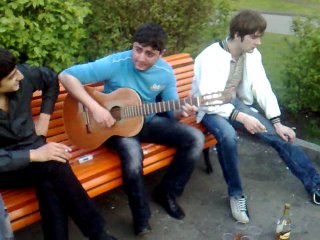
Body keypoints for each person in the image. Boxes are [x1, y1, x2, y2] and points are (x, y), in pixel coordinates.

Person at [59, 23, 205, 236]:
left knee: (195, 138)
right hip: (111, 126)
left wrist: (182, 112)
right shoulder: (116, 62)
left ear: (161, 54)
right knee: (133, 156)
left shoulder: (165, 72)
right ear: (132, 46)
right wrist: (95, 109)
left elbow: (173, 109)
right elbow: (65, 76)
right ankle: (141, 215)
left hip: (147, 121)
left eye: (149, 54)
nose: (140, 58)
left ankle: (167, 193)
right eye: (137, 49)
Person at [192, 9, 320, 223]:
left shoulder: (251, 55)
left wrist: (276, 122)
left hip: (233, 104)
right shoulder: (211, 57)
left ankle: (315, 184)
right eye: (254, 37)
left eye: (260, 36)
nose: (259, 42)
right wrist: (242, 117)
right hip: (209, 109)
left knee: (280, 136)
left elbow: (262, 87)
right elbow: (209, 101)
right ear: (236, 35)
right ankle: (236, 194)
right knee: (228, 137)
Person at [0, 48, 117, 240]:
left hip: (36, 153)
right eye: (12, 76)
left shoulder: (23, 76)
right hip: (7, 168)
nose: (19, 76)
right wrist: (33, 155)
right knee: (55, 165)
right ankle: (98, 233)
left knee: (48, 182)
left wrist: (44, 117)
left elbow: (51, 79)